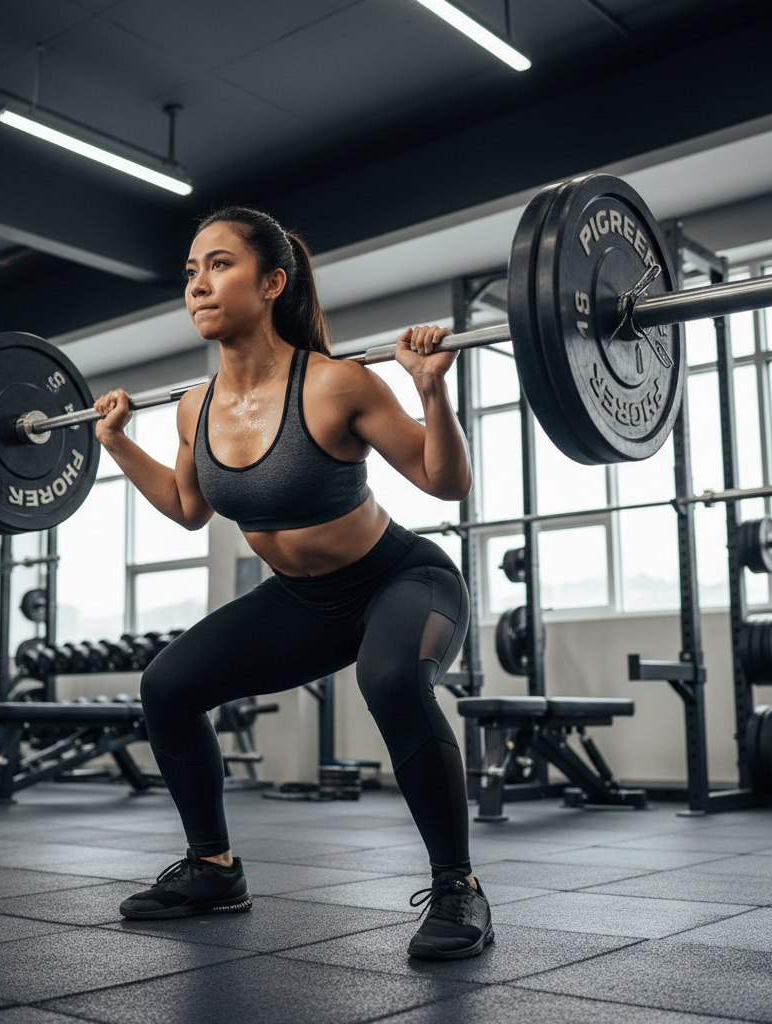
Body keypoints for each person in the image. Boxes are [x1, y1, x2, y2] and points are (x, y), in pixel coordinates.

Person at [92, 207, 493, 960]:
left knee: (390, 679)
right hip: (303, 602)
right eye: (191, 271)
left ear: (273, 282)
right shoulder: (194, 407)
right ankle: (213, 869)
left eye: (219, 265)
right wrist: (115, 443)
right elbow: (187, 508)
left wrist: (431, 390)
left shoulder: (338, 384)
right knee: (167, 686)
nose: (198, 285)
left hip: (399, 580)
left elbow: (445, 482)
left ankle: (458, 886)